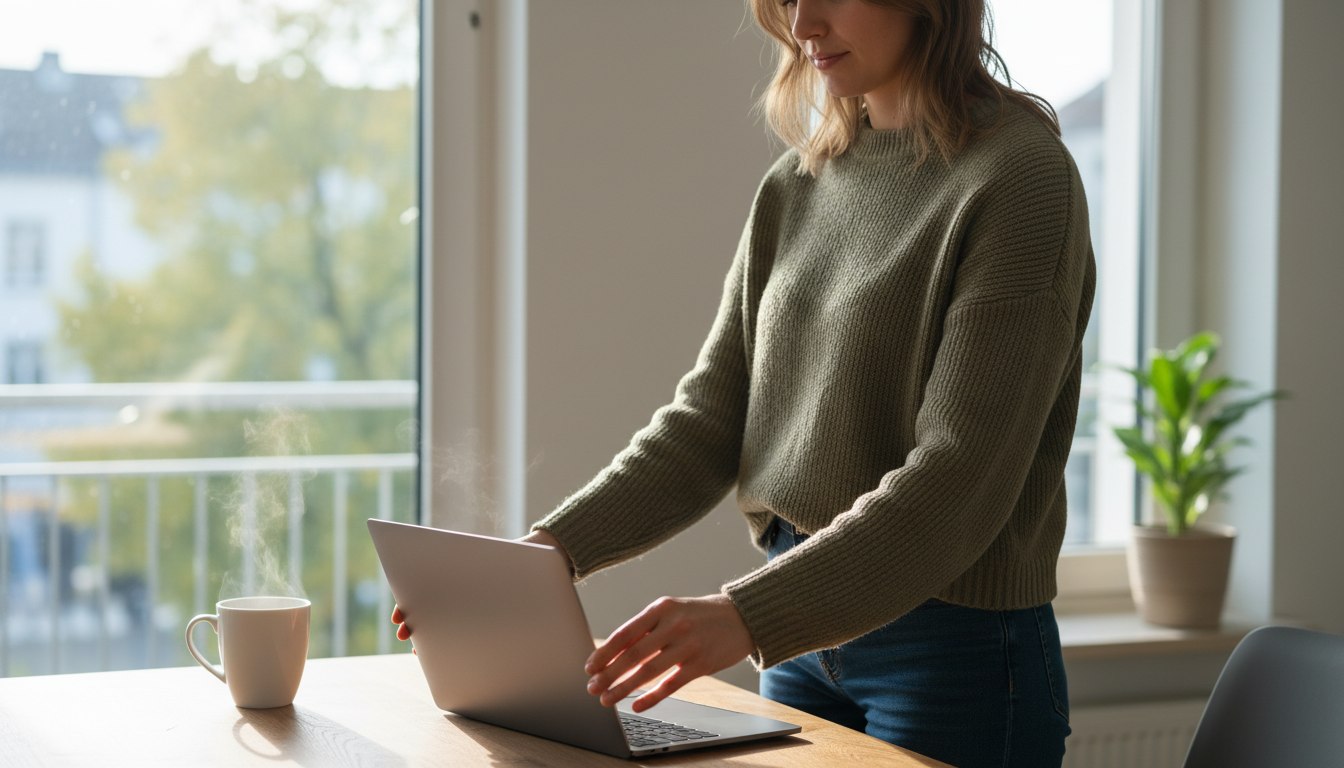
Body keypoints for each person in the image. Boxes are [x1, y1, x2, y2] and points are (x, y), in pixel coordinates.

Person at [394, 0, 1093, 764]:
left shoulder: (1020, 181)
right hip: (800, 635)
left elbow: (960, 476)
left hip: (949, 652)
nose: (804, 24)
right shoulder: (798, 184)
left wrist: (744, 616)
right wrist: (541, 559)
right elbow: (708, 422)